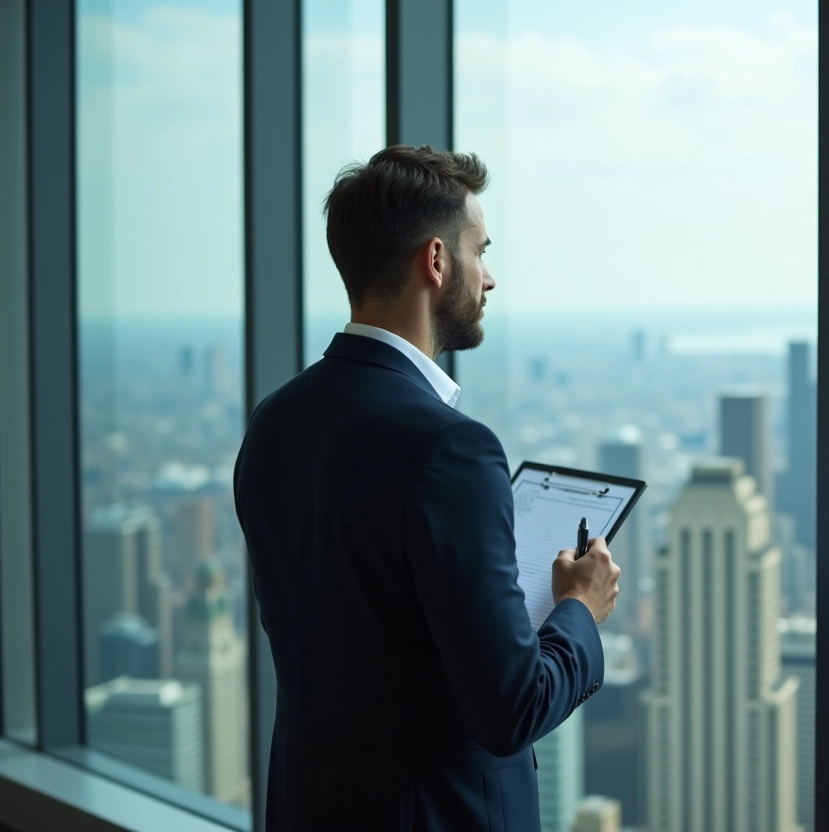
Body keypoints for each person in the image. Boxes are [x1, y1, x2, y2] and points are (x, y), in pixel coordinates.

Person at [233, 145, 621, 832]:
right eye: (480, 252)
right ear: (437, 261)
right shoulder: (451, 449)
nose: (490, 278)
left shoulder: (276, 421)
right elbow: (512, 709)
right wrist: (579, 609)